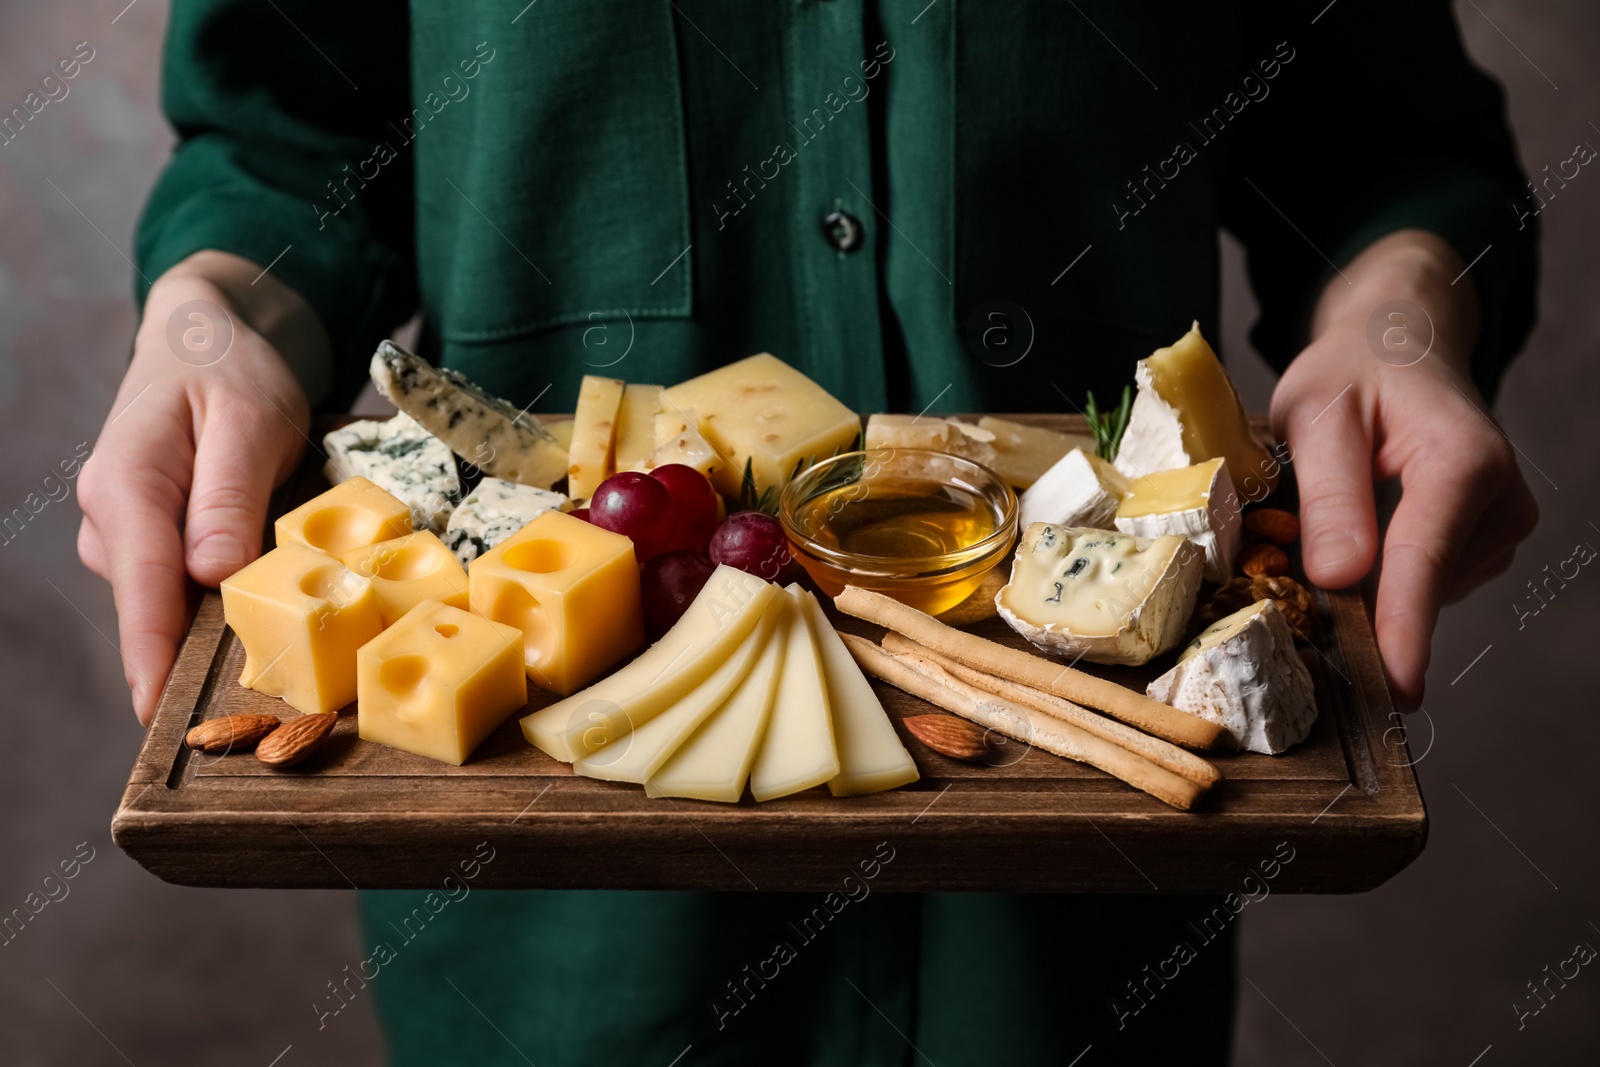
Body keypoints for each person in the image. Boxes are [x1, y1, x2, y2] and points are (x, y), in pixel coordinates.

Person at [80, 2, 1539, 1063]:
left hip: (1078, 928)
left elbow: (1384, 154)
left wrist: (1403, 312)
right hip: (544, 935)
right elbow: (289, 144)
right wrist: (219, 311)